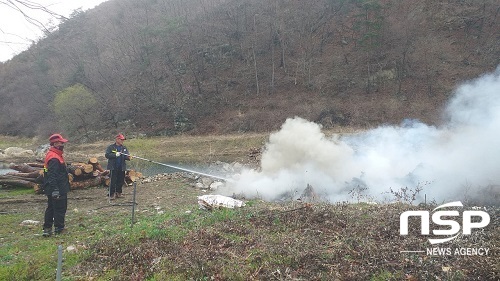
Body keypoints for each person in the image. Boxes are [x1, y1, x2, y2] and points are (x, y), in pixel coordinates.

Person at [42, 133, 71, 236]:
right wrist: (55, 190)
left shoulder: (55, 155)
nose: (63, 144)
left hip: (54, 186)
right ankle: (59, 229)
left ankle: (47, 229)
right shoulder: (54, 157)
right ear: (55, 143)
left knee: (51, 207)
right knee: (60, 208)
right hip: (57, 187)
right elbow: (52, 175)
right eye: (61, 143)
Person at [105, 133, 131, 200]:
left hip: (121, 166)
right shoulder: (111, 147)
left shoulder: (124, 148)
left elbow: (125, 155)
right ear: (117, 139)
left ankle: (119, 192)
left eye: (123, 140)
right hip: (113, 166)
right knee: (113, 181)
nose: (122, 141)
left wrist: (128, 157)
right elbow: (107, 155)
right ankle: (111, 194)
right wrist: (115, 155)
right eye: (121, 139)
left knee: (120, 180)